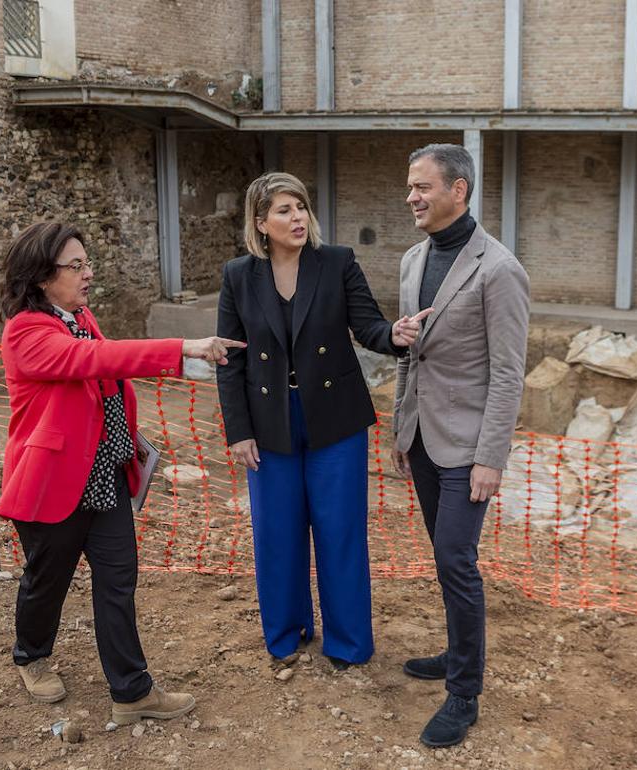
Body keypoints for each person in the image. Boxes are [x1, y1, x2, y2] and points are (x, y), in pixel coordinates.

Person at [0, 221, 244, 724]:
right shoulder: (27, 330)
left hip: (104, 475)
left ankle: (131, 692)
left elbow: (102, 372)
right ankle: (31, 655)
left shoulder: (79, 316)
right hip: (53, 482)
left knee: (118, 584)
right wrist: (182, 348)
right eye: (76, 265)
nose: (88, 274)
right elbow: (92, 360)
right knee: (47, 582)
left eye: (87, 263)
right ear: (43, 276)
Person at [216, 172, 428, 670]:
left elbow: (368, 325)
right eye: (284, 210)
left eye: (301, 207)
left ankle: (348, 643)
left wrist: (394, 334)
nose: (297, 218)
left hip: (336, 421)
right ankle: (286, 635)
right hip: (270, 424)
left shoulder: (336, 263)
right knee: (277, 533)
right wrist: (239, 430)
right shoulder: (238, 275)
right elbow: (230, 358)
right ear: (260, 222)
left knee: (340, 531)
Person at [392, 144, 530, 748]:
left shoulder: (499, 269)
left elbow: (507, 373)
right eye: (410, 188)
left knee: (456, 558)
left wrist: (491, 458)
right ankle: (454, 654)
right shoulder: (412, 259)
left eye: (424, 187)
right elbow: (409, 351)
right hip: (422, 437)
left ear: (460, 190)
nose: (413, 197)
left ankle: (464, 692)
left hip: (469, 446)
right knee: (444, 556)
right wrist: (402, 426)